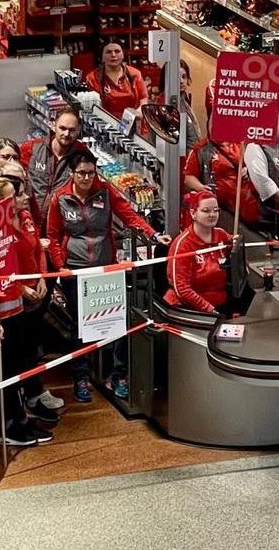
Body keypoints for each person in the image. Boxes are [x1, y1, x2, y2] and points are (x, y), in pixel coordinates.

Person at [46, 152, 167, 401]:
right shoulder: (60, 198)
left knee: (116, 323)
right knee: (80, 326)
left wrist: (153, 235)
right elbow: (53, 236)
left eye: (91, 172)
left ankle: (118, 375)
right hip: (76, 270)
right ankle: (81, 378)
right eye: (82, 173)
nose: (87, 178)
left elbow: (129, 215)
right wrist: (61, 267)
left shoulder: (106, 191)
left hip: (107, 269)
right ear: (72, 173)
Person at [0, 175, 56, 447]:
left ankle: (20, 418)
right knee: (3, 373)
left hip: (14, 309)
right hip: (0, 315)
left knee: (15, 368)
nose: (17, 202)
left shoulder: (8, 224)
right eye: (10, 197)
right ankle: (8, 428)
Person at [165, 192, 254, 317]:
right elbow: (182, 290)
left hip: (222, 302)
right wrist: (210, 311)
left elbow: (242, 270)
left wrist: (239, 252)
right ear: (193, 213)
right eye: (206, 211)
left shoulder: (222, 235)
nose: (212, 215)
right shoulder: (182, 245)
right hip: (192, 310)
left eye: (216, 210)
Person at [21, 109, 88, 224]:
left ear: (78, 131)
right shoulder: (32, 148)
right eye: (62, 128)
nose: (66, 134)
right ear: (53, 126)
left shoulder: (83, 155)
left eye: (72, 130)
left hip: (60, 225)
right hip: (30, 222)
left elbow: (95, 188)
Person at [183, 137, 261, 227]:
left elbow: (256, 167)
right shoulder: (201, 148)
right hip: (220, 208)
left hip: (247, 205)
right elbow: (188, 177)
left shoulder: (242, 144)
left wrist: (248, 170)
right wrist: (201, 187)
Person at [85, 41, 148, 121]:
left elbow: (143, 101)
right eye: (108, 52)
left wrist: (135, 116)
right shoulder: (92, 78)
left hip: (134, 124)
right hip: (105, 125)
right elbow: (93, 108)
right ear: (102, 57)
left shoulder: (135, 74)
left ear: (123, 55)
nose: (113, 55)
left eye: (117, 51)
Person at [176, 60, 203, 148]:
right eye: (177, 77)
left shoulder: (184, 99)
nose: (181, 81)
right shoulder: (170, 102)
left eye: (184, 77)